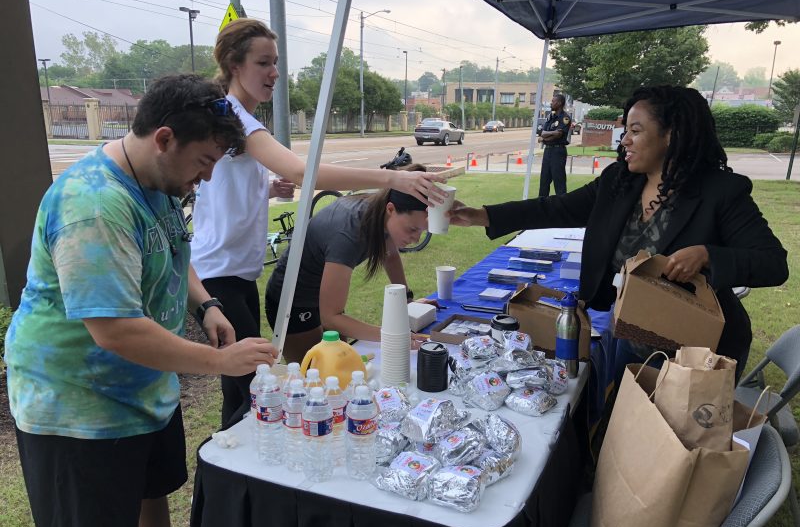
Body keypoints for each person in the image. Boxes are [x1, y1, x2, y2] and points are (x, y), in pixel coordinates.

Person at [3, 74, 279, 527]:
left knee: (152, 501)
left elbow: (174, 250)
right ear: (165, 138)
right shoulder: (95, 204)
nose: (209, 177)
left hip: (143, 388)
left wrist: (207, 305)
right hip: (75, 404)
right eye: (205, 162)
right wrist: (220, 362)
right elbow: (116, 330)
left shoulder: (157, 179)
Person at [190, 18, 444, 425]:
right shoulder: (233, 115)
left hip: (237, 274)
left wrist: (268, 190)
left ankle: (223, 471)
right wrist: (394, 177)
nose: (274, 73)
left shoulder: (240, 118)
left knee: (238, 392)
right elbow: (305, 173)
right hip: (219, 274)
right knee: (249, 391)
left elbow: (226, 183)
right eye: (263, 63)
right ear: (235, 66)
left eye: (276, 63)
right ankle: (228, 474)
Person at [450, 85, 788, 381]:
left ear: (672, 134)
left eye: (636, 130)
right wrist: (481, 215)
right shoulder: (619, 181)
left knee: (674, 447)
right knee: (619, 423)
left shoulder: (721, 192)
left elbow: (773, 263)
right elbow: (557, 208)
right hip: (632, 331)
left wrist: (708, 255)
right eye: (625, 129)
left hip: (700, 351)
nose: (624, 139)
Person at [265, 164, 431, 363]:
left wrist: (407, 300)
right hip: (293, 303)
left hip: (320, 298)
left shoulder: (381, 211)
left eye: (421, 230)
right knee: (318, 376)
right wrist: (392, 336)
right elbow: (331, 316)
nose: (415, 238)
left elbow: (390, 255)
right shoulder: (349, 233)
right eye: (412, 229)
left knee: (342, 366)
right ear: (391, 209)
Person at [538, 93, 572, 197]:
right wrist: (550, 134)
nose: (551, 103)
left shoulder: (565, 118)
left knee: (559, 182)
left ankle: (562, 209)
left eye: (553, 101)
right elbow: (543, 133)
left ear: (560, 103)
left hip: (558, 152)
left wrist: (545, 138)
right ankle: (541, 207)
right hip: (548, 151)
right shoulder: (550, 117)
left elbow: (559, 135)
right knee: (544, 181)